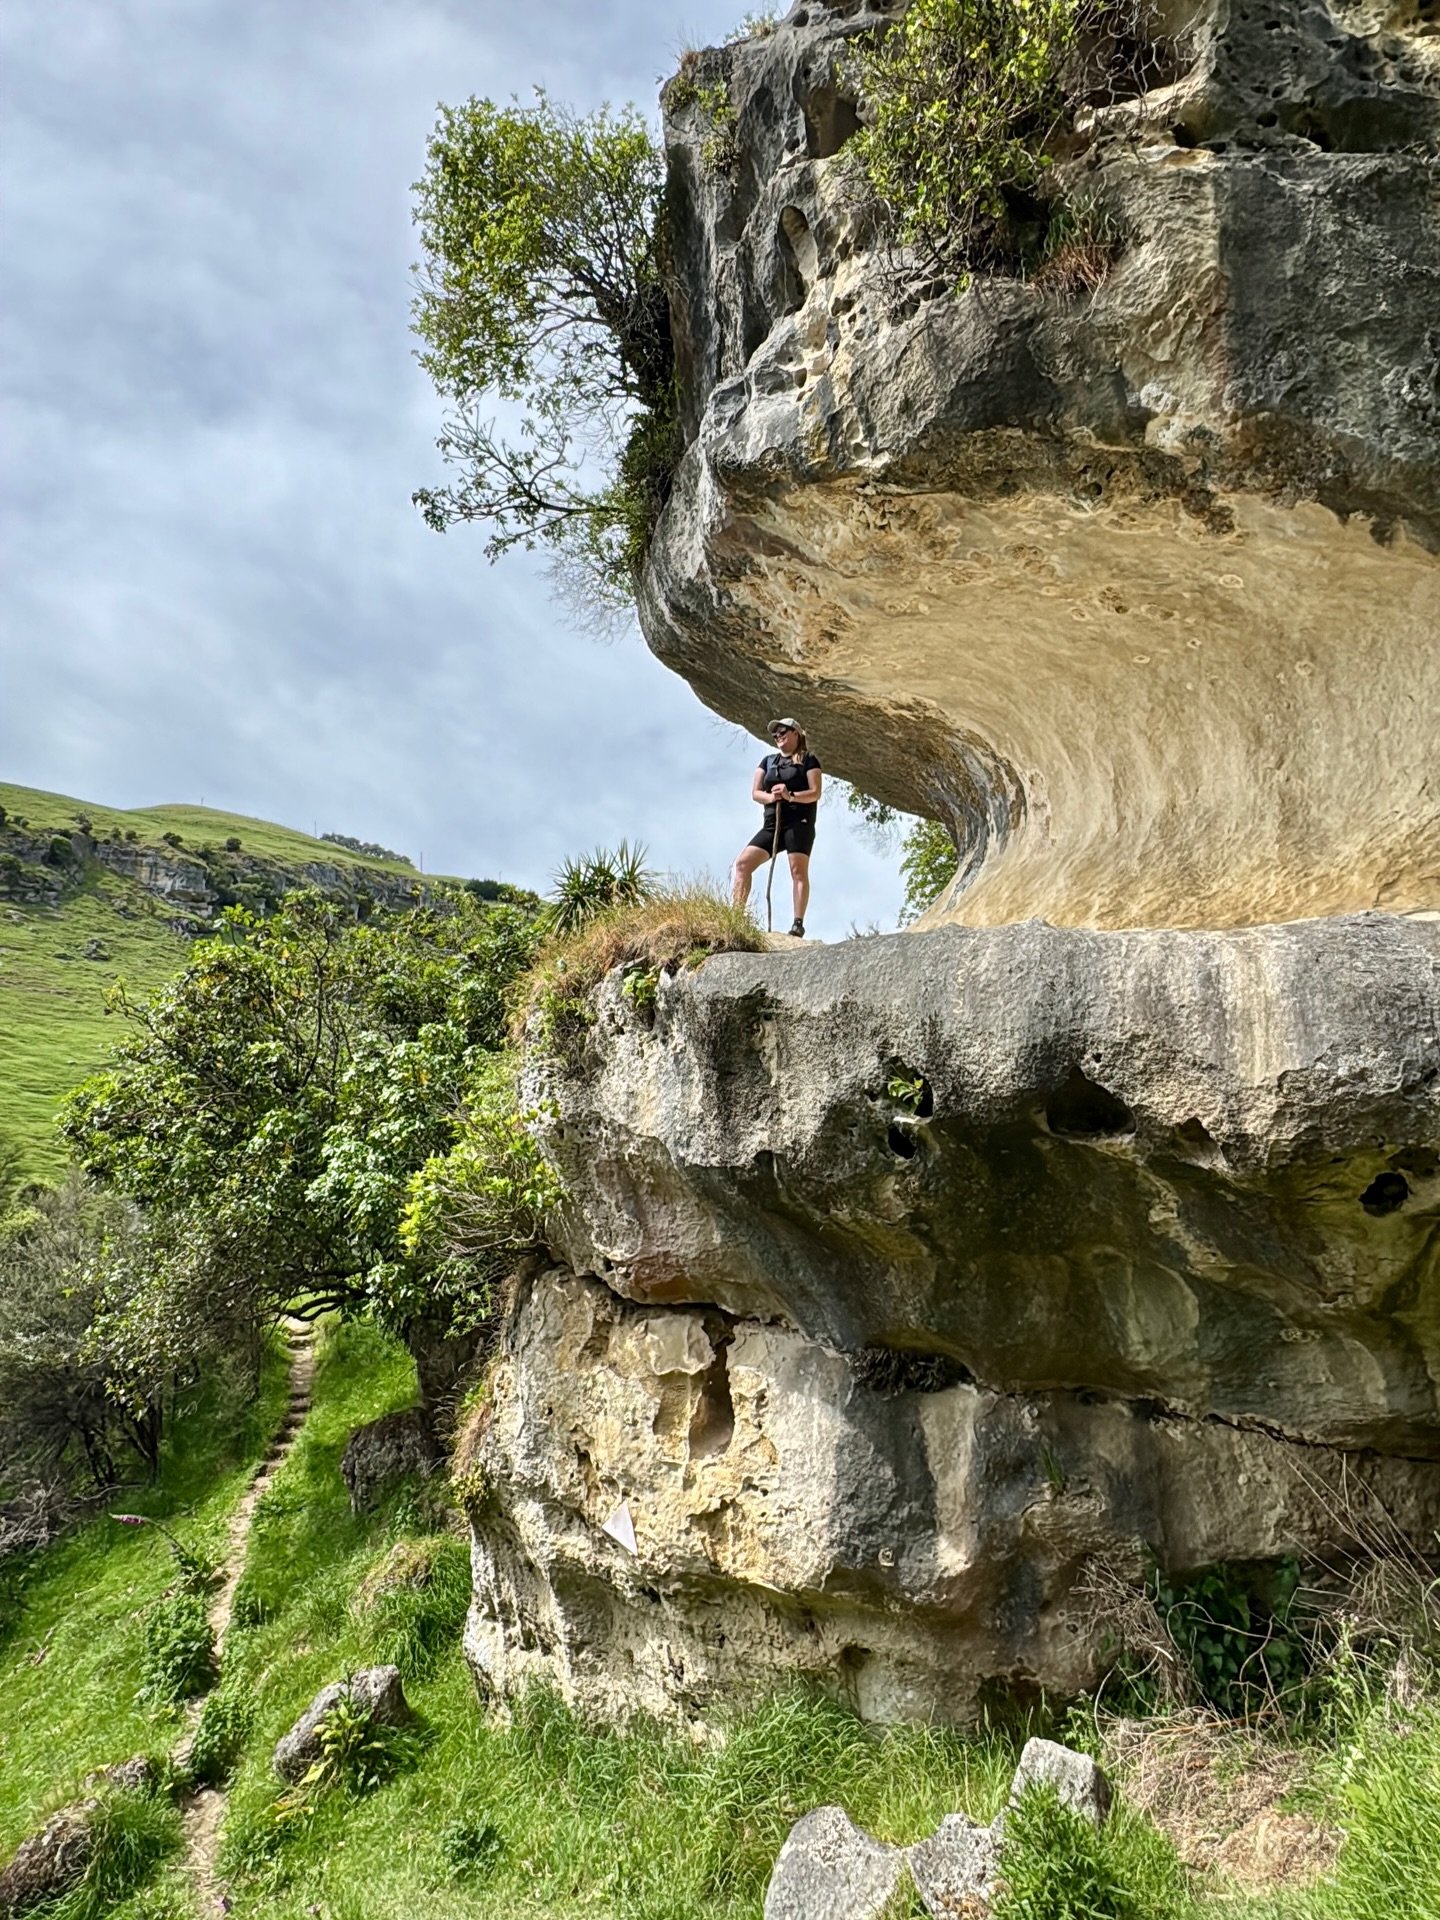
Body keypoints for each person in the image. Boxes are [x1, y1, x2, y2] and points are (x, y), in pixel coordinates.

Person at [732, 717, 822, 938]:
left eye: (783, 732)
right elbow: (755, 793)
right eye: (775, 734)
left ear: (796, 733)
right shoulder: (767, 761)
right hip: (772, 824)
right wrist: (772, 797)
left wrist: (790, 795)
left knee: (797, 870)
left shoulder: (809, 760)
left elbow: (815, 792)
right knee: (743, 864)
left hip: (798, 822)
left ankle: (798, 923)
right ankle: (735, 918)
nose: (778, 736)